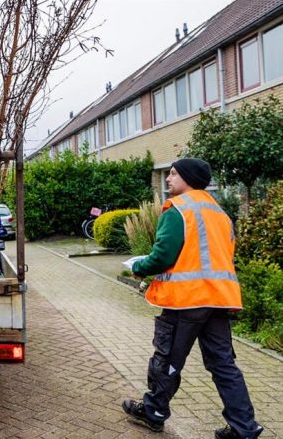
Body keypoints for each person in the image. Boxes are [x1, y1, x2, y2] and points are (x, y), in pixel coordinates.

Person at [122, 158, 264, 439]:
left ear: (187, 178)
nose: (168, 179)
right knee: (223, 364)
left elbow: (163, 255)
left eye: (173, 174)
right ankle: (244, 427)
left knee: (169, 359)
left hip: (186, 301)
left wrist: (138, 268)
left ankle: (154, 412)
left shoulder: (178, 209)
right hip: (219, 300)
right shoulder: (220, 213)